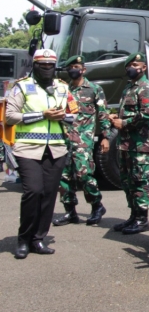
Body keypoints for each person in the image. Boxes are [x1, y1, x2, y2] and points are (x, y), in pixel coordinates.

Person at [4, 49, 76, 259]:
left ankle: (38, 238)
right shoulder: (22, 86)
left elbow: (75, 116)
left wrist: (62, 117)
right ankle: (23, 239)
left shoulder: (62, 87)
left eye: (50, 65)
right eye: (42, 65)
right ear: (34, 66)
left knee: (48, 195)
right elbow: (10, 117)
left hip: (56, 149)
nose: (46, 69)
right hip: (28, 148)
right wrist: (42, 115)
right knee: (33, 191)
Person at [53, 55, 111, 226]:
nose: (73, 70)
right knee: (64, 177)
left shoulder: (94, 89)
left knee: (84, 174)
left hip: (83, 140)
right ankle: (70, 212)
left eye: (76, 66)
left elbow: (103, 115)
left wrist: (105, 137)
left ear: (83, 69)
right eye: (70, 67)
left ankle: (97, 205)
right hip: (64, 139)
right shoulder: (64, 90)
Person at [109, 52, 149, 235]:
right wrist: (115, 116)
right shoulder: (129, 87)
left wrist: (124, 123)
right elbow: (127, 111)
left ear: (144, 67)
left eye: (135, 65)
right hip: (125, 144)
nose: (131, 68)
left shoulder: (145, 87)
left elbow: (147, 115)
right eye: (129, 66)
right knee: (127, 181)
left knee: (139, 180)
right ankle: (134, 216)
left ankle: (143, 219)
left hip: (139, 144)